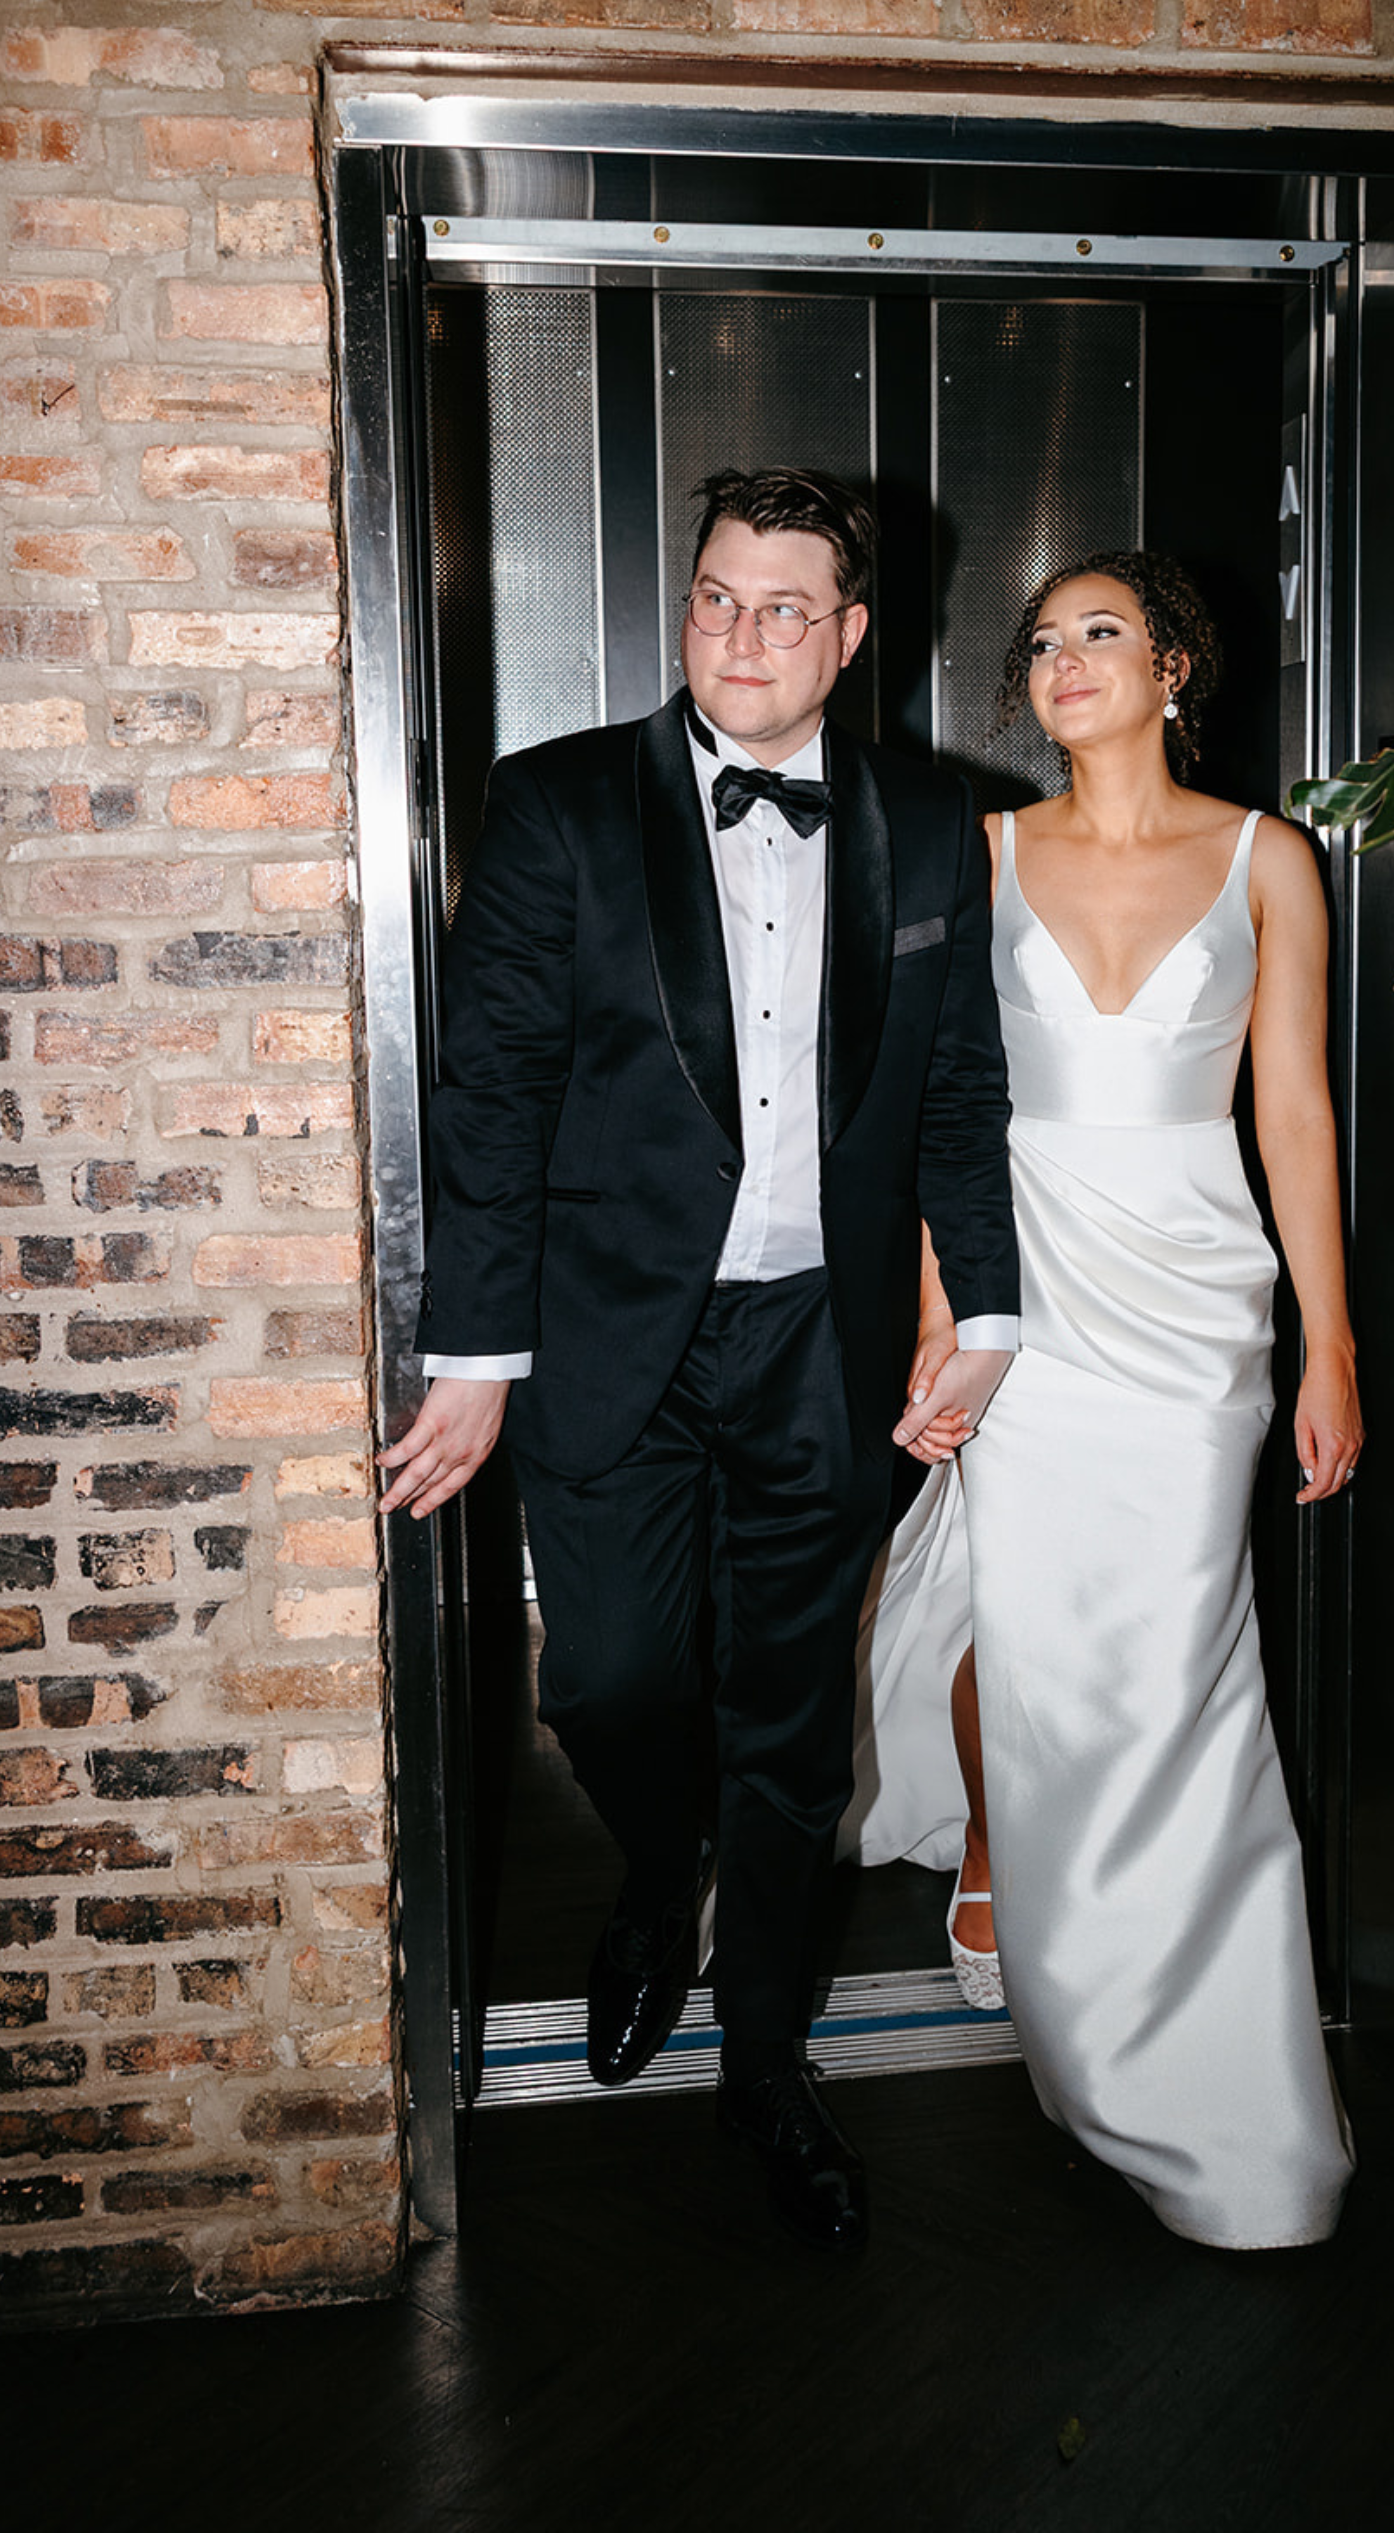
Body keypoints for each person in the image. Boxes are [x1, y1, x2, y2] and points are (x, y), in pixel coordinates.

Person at [380, 468, 1020, 2255]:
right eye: (717, 598)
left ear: (852, 634)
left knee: (792, 1726)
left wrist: (983, 1317)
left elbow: (959, 1090)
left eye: (784, 607)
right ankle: (663, 1876)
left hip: (818, 1339)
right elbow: (491, 1091)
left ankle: (764, 2065)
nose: (742, 635)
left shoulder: (930, 820)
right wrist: (474, 1353)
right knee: (604, 1681)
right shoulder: (559, 802)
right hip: (605, 1335)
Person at [848, 550, 1359, 2250]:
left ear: (1171, 668)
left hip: (1198, 1305)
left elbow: (1293, 1113)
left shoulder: (1268, 857)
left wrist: (1330, 1347)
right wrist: (942, 1320)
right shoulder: (983, 854)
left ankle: (1201, 2052)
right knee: (1026, 1617)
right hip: (1028, 1282)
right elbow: (946, 1110)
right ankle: (1005, 1847)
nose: (1063, 661)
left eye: (1100, 633)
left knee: (1179, 1655)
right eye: (1042, 642)